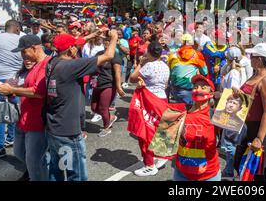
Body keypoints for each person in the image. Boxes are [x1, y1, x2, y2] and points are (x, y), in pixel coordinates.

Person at [45, 30, 119, 181]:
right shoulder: (71, 66)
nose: (77, 49)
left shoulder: (52, 62)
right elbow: (108, 56)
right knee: (76, 174)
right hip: (68, 131)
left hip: (54, 126)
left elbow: (74, 42)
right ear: (71, 49)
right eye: (75, 47)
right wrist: (114, 38)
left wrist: (92, 35)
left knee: (57, 170)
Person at [0, 35, 50, 180]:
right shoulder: (31, 66)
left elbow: (38, 92)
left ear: (35, 48)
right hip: (23, 119)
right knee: (19, 153)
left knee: (34, 161)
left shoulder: (46, 64)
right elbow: (25, 88)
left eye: (24, 51)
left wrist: (12, 89)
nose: (22, 55)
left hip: (37, 122)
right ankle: (40, 172)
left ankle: (40, 175)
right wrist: (7, 89)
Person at [233, 43, 266, 181]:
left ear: (259, 60)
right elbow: (249, 99)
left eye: (252, 56)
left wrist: (259, 138)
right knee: (240, 164)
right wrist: (238, 94)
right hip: (249, 127)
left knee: (257, 172)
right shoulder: (255, 75)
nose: (249, 57)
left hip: (262, 129)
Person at [130, 41, 171, 176]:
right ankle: (159, 156)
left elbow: (132, 78)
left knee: (145, 132)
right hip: (162, 100)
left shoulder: (149, 66)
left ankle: (149, 164)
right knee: (159, 131)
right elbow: (165, 85)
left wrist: (141, 64)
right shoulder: (166, 66)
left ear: (149, 52)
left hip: (149, 101)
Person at [174, 74, 221, 181]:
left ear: (211, 94)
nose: (198, 90)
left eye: (203, 87)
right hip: (181, 173)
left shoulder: (216, 116)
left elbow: (237, 117)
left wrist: (237, 97)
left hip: (208, 175)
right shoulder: (182, 112)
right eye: (195, 87)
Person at [0, 20, 23, 158]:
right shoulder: (23, 39)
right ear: (17, 29)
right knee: (14, 110)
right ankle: (11, 139)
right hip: (16, 80)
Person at [92, 35, 126, 138]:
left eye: (109, 41)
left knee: (103, 108)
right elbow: (92, 67)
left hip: (108, 85)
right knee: (94, 108)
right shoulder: (99, 54)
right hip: (97, 84)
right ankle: (110, 117)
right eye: (105, 41)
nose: (106, 43)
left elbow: (117, 72)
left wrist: (119, 87)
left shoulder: (115, 56)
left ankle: (106, 128)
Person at [168, 34, 208, 107]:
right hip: (189, 90)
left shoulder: (172, 55)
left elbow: (169, 72)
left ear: (182, 43)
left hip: (174, 90)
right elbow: (205, 72)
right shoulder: (197, 55)